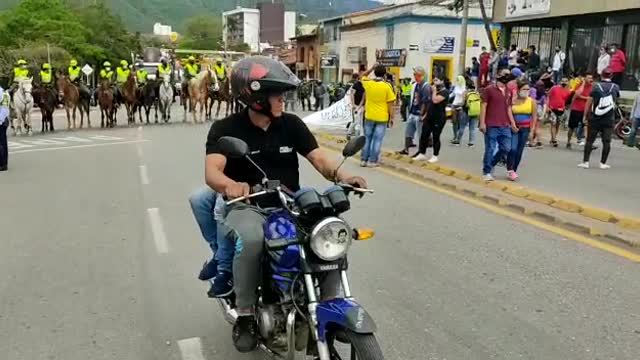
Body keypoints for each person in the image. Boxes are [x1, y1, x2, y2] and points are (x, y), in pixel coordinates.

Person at [202, 56, 367, 352]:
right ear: (254, 97)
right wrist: (230, 186)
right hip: (247, 205)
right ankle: (246, 313)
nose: (283, 100)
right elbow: (212, 171)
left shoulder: (290, 124)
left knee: (327, 232)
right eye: (277, 95)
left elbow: (318, 158)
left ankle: (331, 302)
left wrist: (345, 176)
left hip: (290, 205)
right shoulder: (226, 128)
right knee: (251, 240)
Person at [480, 69, 517, 181]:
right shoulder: (489, 90)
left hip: (505, 125)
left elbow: (509, 108)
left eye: (508, 74)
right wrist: (482, 123)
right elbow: (484, 106)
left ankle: (491, 164)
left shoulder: (508, 91)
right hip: (491, 124)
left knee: (506, 148)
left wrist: (513, 123)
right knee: (490, 148)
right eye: (504, 74)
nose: (506, 76)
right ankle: (486, 171)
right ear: (498, 75)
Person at [579, 68, 619, 169]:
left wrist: (585, 115)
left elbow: (589, 101)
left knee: (589, 140)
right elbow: (616, 99)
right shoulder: (615, 87)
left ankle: (586, 162)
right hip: (609, 118)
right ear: (611, 76)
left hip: (595, 118)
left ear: (601, 76)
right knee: (606, 141)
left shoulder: (596, 86)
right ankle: (603, 163)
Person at [360, 64, 396, 167]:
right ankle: (372, 161)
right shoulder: (387, 86)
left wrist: (371, 68)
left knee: (367, 138)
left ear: (374, 73)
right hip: (382, 117)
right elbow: (390, 104)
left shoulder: (368, 83)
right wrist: (392, 118)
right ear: (384, 75)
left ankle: (363, 160)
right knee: (377, 139)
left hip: (369, 115)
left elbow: (362, 76)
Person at [413, 75, 449, 163]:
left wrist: (434, 91)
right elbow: (429, 103)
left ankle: (435, 155)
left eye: (437, 80)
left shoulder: (445, 92)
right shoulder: (434, 91)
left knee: (436, 136)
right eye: (434, 80)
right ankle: (422, 153)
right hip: (429, 116)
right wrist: (425, 114)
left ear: (442, 81)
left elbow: (435, 100)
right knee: (424, 134)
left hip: (439, 118)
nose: (434, 82)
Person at [507, 79, 537, 181]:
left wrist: (532, 131)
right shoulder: (513, 100)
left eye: (528, 89)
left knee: (519, 151)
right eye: (524, 89)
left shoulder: (531, 102)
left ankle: (513, 170)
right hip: (514, 128)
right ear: (519, 89)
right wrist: (512, 124)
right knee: (513, 149)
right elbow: (509, 111)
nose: (526, 91)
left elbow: (534, 117)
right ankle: (510, 168)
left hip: (525, 129)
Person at [398, 67, 430, 155]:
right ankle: (406, 149)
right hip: (413, 111)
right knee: (408, 132)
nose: (416, 77)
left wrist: (422, 114)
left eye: (418, 75)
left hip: (419, 113)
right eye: (415, 75)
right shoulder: (415, 85)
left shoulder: (426, 86)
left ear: (423, 76)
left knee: (420, 134)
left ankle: (421, 151)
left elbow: (425, 102)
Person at [567, 73, 594, 147]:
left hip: (586, 110)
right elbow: (577, 94)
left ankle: (588, 144)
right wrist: (583, 84)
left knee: (586, 126)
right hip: (576, 109)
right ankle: (568, 141)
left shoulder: (592, 87)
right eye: (588, 78)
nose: (590, 80)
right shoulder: (579, 85)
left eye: (591, 78)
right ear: (585, 78)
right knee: (572, 127)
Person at [546, 77, 571, 147]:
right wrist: (547, 106)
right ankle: (554, 140)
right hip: (552, 109)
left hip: (561, 110)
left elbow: (568, 102)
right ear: (560, 82)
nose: (564, 82)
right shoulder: (554, 88)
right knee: (553, 123)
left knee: (557, 124)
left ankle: (553, 138)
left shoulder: (568, 91)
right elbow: (548, 96)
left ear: (567, 82)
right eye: (563, 81)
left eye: (565, 81)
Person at [457, 82, 480, 147]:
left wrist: (459, 106)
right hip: (475, 112)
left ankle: (458, 140)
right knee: (472, 128)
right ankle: (471, 142)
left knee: (462, 127)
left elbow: (462, 102)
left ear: (467, 87)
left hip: (466, 111)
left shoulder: (465, 93)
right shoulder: (477, 93)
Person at [528, 80, 546, 148]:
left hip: (533, 108)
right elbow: (544, 105)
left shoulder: (532, 90)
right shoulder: (543, 94)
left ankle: (531, 142)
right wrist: (543, 114)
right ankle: (539, 141)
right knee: (538, 127)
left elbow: (529, 98)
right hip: (540, 109)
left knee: (532, 127)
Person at [450, 75, 467, 144]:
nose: (457, 81)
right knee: (454, 122)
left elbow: (464, 98)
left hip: (460, 106)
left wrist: (462, 105)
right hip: (454, 105)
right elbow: (452, 95)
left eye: (458, 79)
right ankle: (455, 136)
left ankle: (458, 138)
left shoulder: (464, 88)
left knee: (460, 123)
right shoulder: (456, 87)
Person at [0, 85, 9, 172]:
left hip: (1, 121)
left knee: (1, 143)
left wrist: (0, 120)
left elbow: (4, 108)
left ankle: (2, 163)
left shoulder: (2, 92)